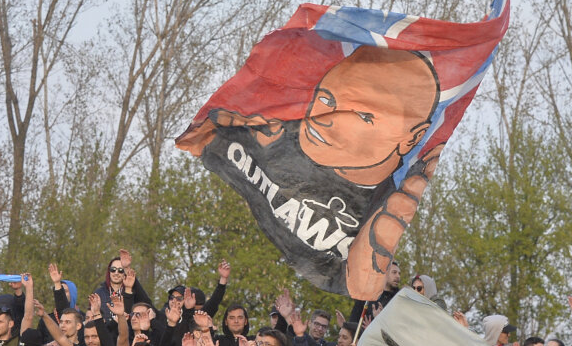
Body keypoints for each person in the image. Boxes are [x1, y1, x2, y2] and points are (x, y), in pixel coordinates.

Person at [176, 46, 441, 297]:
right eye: (326, 98)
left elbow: (348, 276)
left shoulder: (387, 205)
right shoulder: (274, 141)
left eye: (361, 116)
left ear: (411, 137)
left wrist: (361, 274)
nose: (325, 118)